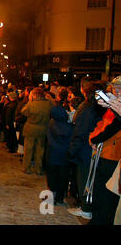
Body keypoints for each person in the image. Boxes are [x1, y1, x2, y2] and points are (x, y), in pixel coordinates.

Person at [86, 76, 121, 225]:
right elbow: (103, 121)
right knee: (101, 192)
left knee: (106, 196)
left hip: (112, 155)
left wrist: (95, 139)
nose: (117, 91)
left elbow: (113, 129)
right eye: (115, 88)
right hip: (106, 153)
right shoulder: (114, 104)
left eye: (119, 88)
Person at [67, 78, 100, 220]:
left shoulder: (87, 109)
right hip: (89, 147)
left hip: (85, 149)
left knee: (84, 178)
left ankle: (86, 207)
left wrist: (72, 150)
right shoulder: (93, 108)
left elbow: (81, 131)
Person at [46, 89, 73, 205]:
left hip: (52, 152)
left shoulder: (52, 122)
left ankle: (53, 194)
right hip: (64, 154)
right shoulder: (69, 126)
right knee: (63, 176)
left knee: (52, 175)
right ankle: (60, 197)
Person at [21, 87, 53, 175]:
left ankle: (26, 168)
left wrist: (29, 101)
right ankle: (38, 169)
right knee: (40, 150)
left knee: (28, 150)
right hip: (43, 129)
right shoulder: (48, 104)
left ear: (34, 95)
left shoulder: (31, 104)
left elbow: (23, 111)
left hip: (31, 129)